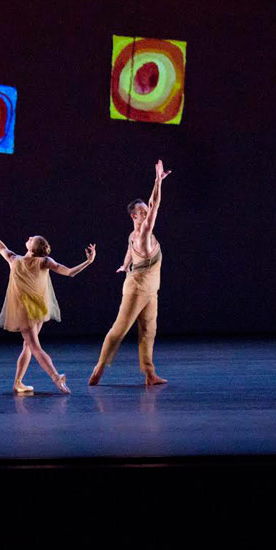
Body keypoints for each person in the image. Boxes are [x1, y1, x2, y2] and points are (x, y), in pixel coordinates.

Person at [0, 197, 95, 394]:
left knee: (33, 346)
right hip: (38, 307)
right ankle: (18, 383)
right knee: (28, 346)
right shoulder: (43, 261)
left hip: (24, 310)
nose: (28, 237)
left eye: (31, 239)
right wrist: (88, 262)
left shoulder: (15, 259)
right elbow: (69, 272)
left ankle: (55, 377)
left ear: (33, 247)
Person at [89, 160, 170, 387]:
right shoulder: (143, 233)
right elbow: (155, 204)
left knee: (148, 330)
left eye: (146, 211)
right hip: (137, 288)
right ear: (134, 216)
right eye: (142, 212)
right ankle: (100, 366)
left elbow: (128, 252)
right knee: (120, 328)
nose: (147, 213)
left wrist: (124, 265)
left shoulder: (132, 236)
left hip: (151, 289)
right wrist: (157, 181)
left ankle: (149, 373)